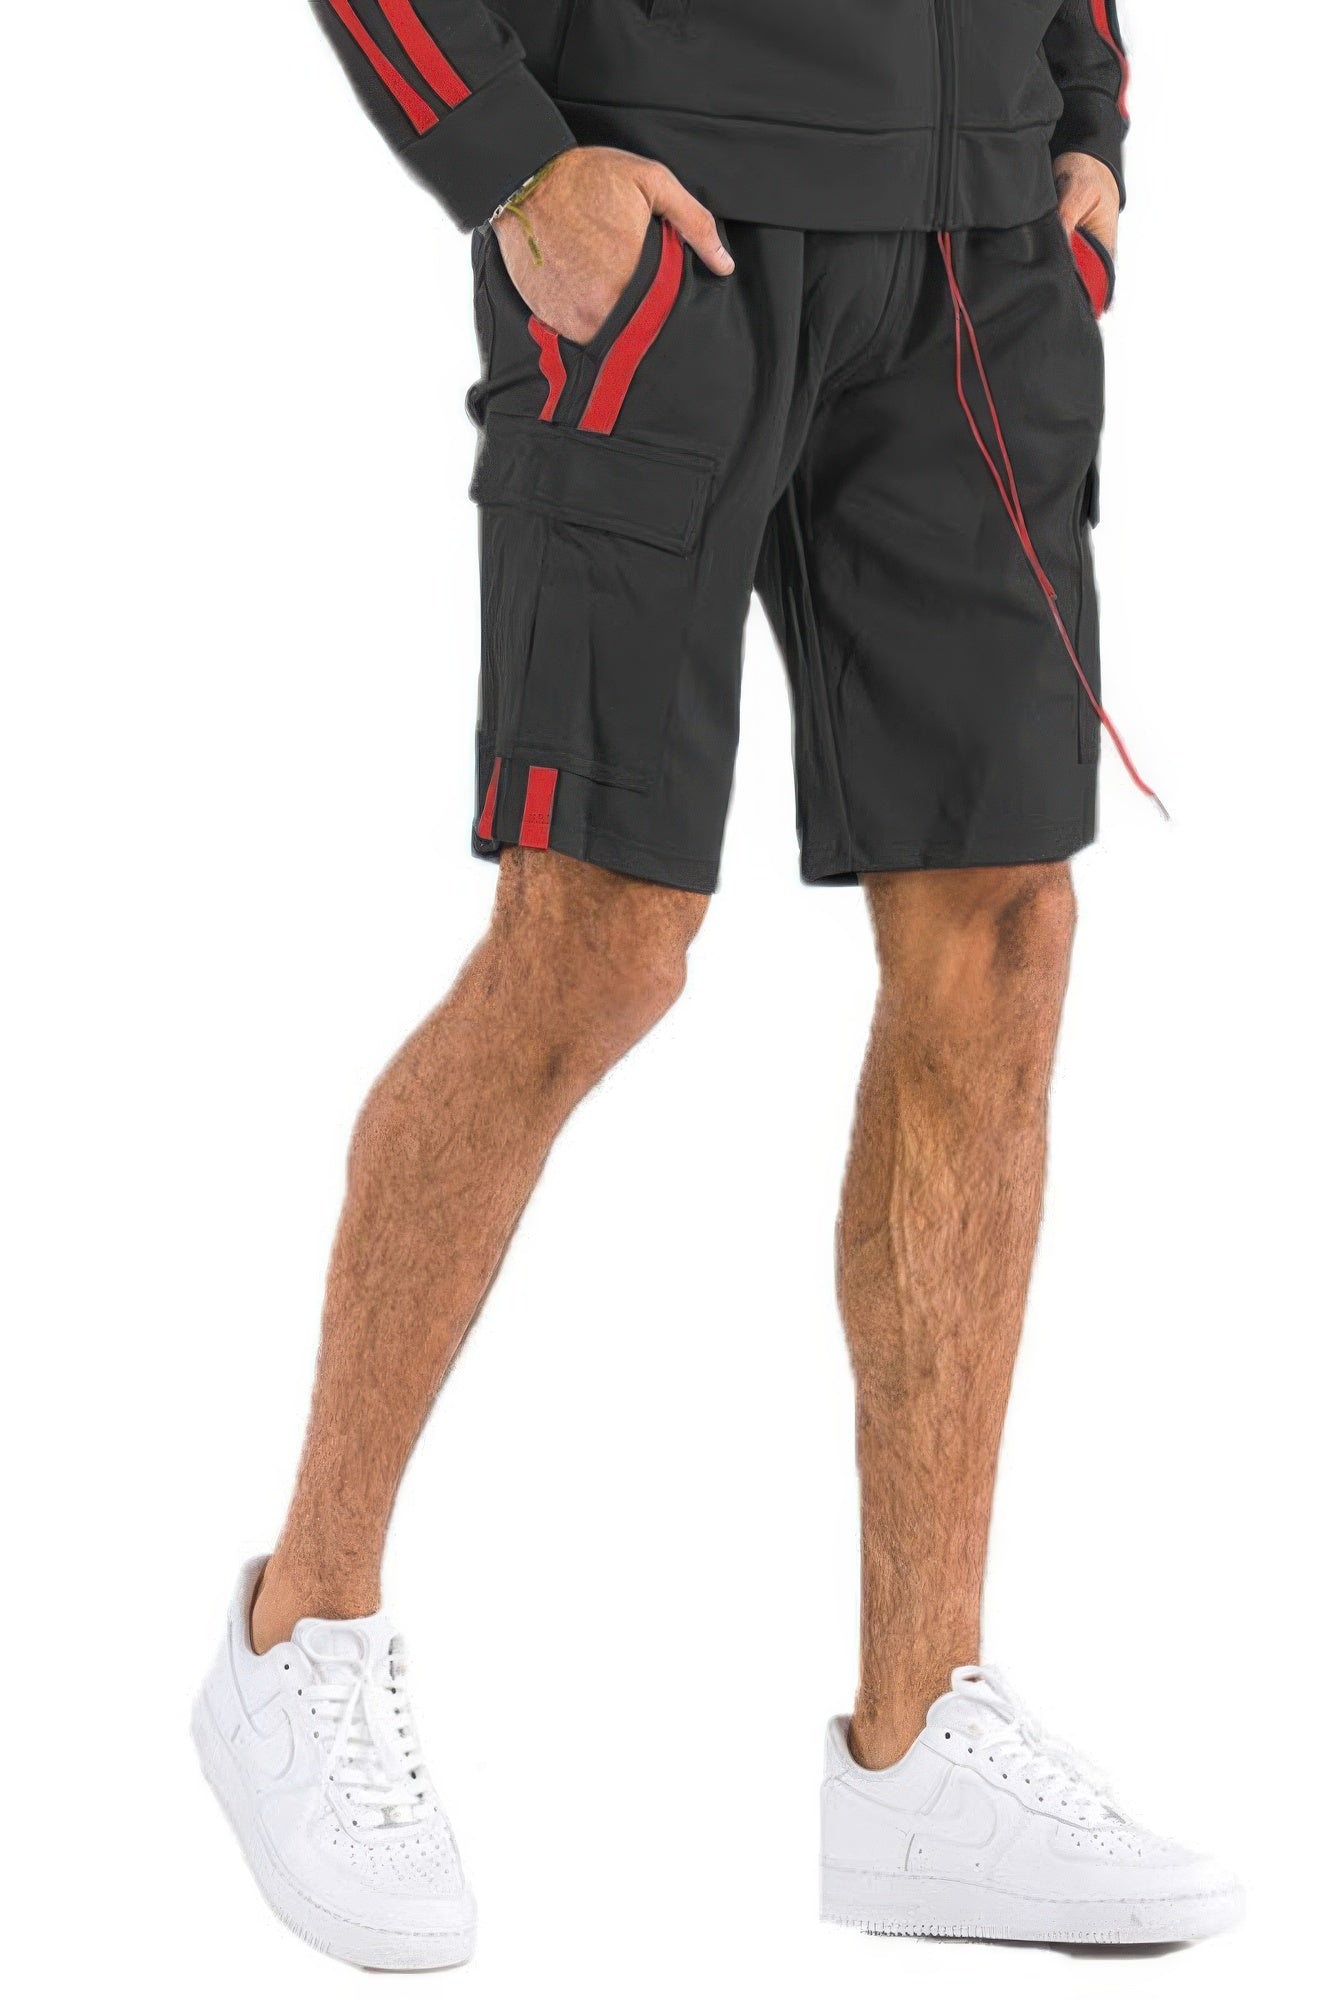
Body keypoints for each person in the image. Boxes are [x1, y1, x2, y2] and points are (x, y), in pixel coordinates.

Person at [193, 1, 1241, 1967]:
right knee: (595, 944)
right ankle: (298, 1629)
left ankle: (915, 1741)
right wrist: (506, 159)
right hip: (666, 232)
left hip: (976, 251)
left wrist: (1084, 114)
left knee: (1003, 931)